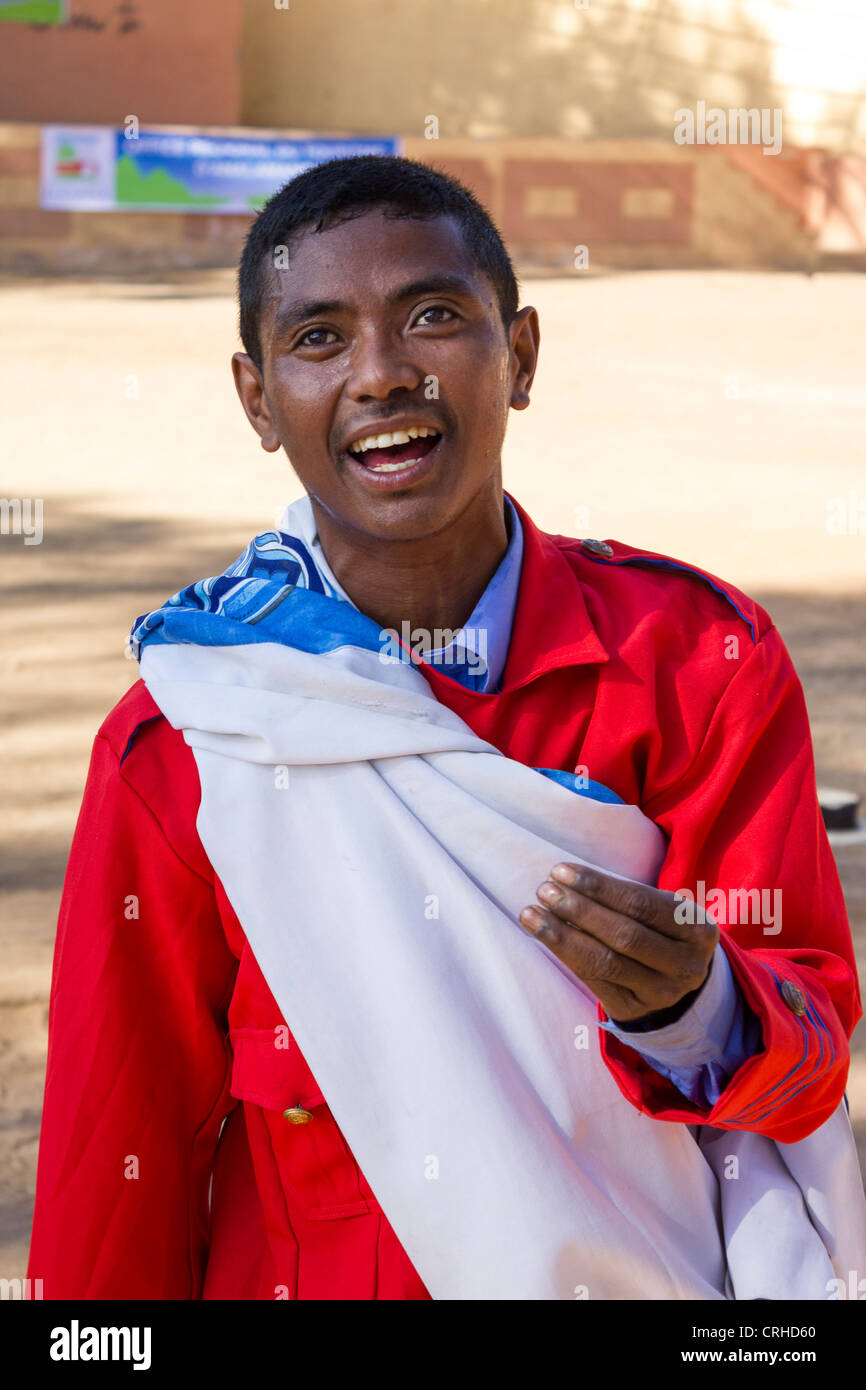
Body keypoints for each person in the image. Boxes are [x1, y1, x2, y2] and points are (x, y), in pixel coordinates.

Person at [27, 155, 862, 1300]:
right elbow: (113, 1166)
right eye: (317, 337)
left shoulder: (694, 665)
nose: (382, 374)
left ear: (517, 356)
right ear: (257, 399)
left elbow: (806, 1053)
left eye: (433, 316)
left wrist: (697, 1005)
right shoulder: (194, 734)